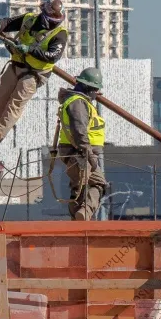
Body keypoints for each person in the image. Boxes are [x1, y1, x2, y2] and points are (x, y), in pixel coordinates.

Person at [0, 0, 70, 158]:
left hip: (34, 74)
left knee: (14, 106)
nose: (53, 24)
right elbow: (8, 23)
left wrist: (29, 49)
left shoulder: (60, 34)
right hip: (16, 66)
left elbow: (52, 56)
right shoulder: (29, 19)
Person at [52, 66, 108, 221]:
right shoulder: (78, 103)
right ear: (89, 88)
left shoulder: (79, 101)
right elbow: (79, 131)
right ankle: (84, 214)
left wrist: (91, 96)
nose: (97, 93)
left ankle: (79, 217)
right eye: (95, 89)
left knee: (80, 188)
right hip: (80, 153)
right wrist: (89, 155)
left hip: (77, 153)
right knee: (97, 185)